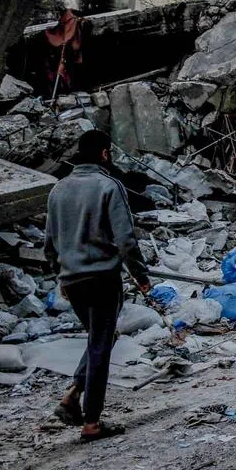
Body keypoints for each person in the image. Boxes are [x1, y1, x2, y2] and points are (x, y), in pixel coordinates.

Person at [45, 129, 151, 442]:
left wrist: (60, 275)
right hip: (103, 278)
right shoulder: (109, 186)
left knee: (99, 339)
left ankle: (72, 394)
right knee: (101, 346)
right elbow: (125, 239)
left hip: (73, 279)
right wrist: (141, 276)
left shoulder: (58, 189)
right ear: (104, 154)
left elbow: (49, 242)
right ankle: (91, 421)